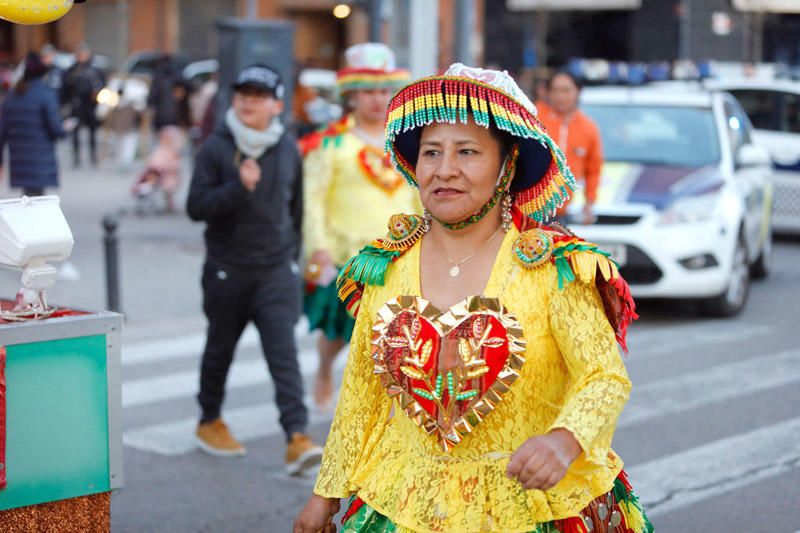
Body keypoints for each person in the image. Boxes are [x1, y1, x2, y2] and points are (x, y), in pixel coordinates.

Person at [294, 63, 649, 533]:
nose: (445, 171)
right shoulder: (385, 267)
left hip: (530, 510)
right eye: (431, 153)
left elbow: (604, 376)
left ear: (507, 167)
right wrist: (325, 495)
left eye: (468, 152)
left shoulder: (553, 267)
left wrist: (565, 441)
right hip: (404, 506)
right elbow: (361, 396)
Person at [186, 64, 323, 475]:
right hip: (228, 269)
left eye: (258, 96)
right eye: (242, 93)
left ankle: (296, 437)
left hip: (276, 270)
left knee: (283, 354)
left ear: (277, 105)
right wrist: (235, 189)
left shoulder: (288, 148)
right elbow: (196, 207)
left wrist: (294, 260)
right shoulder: (216, 147)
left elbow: (295, 209)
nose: (247, 101)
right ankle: (209, 420)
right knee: (219, 349)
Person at [300, 42, 418, 409]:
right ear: (350, 95)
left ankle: (376, 402)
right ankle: (323, 369)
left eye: (383, 90)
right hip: (347, 254)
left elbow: (420, 194)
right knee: (337, 330)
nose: (376, 99)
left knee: (394, 334)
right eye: (368, 90)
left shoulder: (406, 141)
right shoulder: (329, 142)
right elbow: (313, 200)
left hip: (402, 253)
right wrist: (317, 249)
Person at [537, 71, 603, 225]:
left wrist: (590, 201)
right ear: (547, 93)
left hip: (565, 213)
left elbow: (593, 169)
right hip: (529, 210)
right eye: (555, 90)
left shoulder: (588, 128)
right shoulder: (533, 119)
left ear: (578, 92)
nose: (560, 96)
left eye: (566, 91)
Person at [0, 52, 66, 197]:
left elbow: (2, 130)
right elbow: (55, 128)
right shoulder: (46, 94)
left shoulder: (11, 95)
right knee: (37, 197)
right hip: (40, 156)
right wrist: (64, 129)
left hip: (18, 157)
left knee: (28, 196)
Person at [63, 43, 105, 167]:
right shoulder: (71, 70)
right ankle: (76, 157)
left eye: (84, 54)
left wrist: (98, 97)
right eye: (79, 54)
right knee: (75, 131)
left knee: (92, 131)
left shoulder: (95, 70)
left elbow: (102, 85)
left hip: (91, 104)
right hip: (76, 104)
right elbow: (66, 88)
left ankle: (93, 155)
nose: (82, 56)